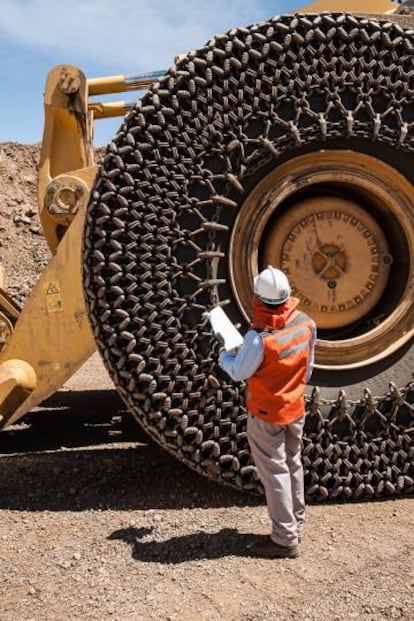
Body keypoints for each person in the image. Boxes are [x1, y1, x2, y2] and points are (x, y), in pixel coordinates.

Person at [218, 266, 316, 559]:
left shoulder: (260, 337)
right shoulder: (306, 324)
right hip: (295, 407)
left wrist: (225, 354)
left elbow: (239, 372)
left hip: (266, 413)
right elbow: (307, 371)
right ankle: (295, 522)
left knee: (274, 472)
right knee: (293, 463)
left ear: (259, 299)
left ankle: (285, 539)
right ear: (287, 297)